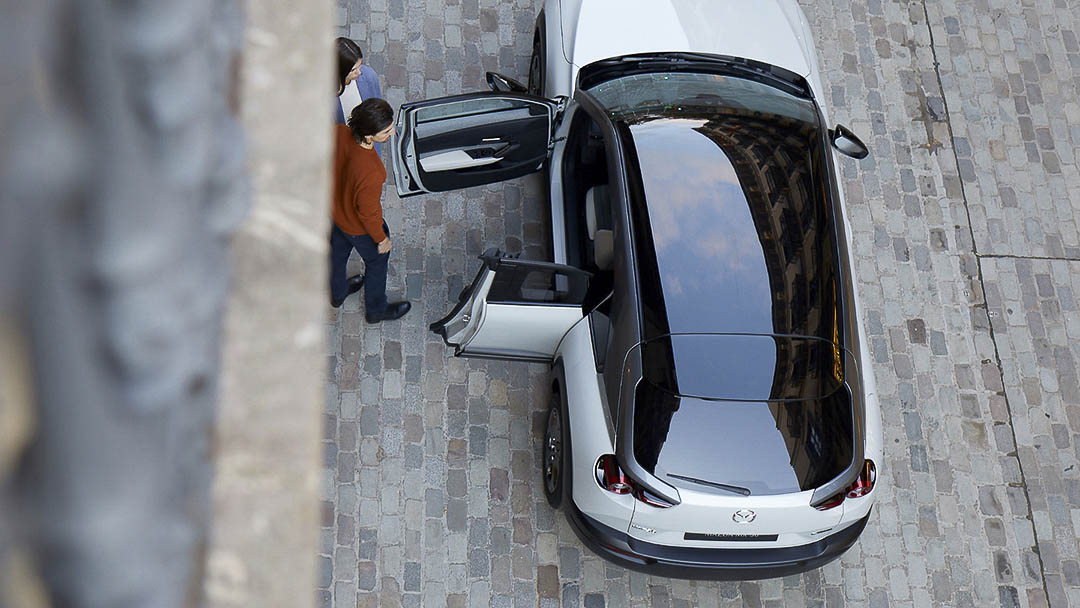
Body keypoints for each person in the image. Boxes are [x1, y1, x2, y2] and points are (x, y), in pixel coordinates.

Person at [329, 98, 410, 323]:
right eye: (385, 131)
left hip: (337, 213)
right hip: (357, 226)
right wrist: (381, 239)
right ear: (368, 136)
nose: (392, 133)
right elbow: (368, 213)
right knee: (377, 262)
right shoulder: (372, 171)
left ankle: (337, 294)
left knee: (336, 253)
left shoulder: (338, 132)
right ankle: (376, 310)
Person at [335, 38, 383, 155]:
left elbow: (378, 106)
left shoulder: (369, 76)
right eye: (353, 70)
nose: (359, 73)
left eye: (360, 66)